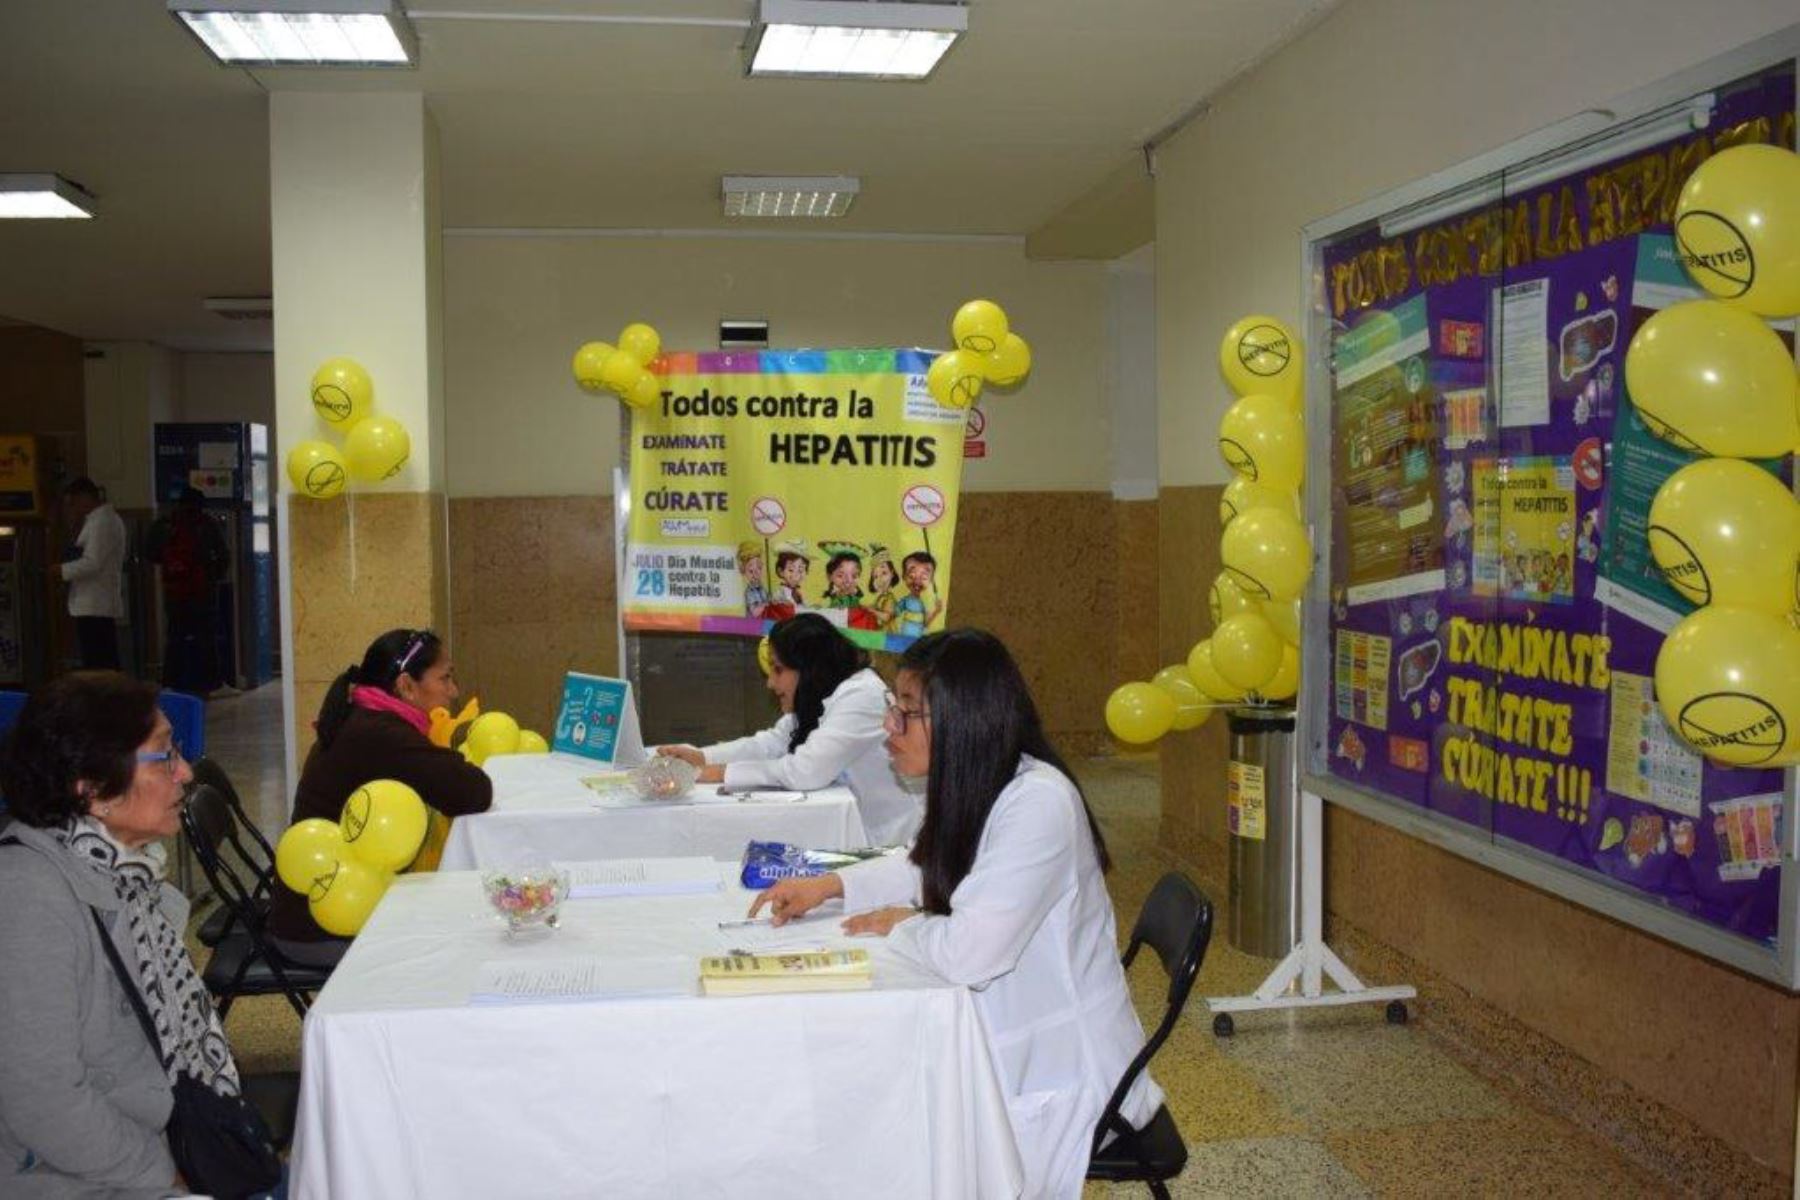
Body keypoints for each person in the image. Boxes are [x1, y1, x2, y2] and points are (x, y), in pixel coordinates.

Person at [751, 629, 1160, 1199]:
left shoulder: (1038, 802)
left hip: (1060, 1069)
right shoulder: (981, 782)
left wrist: (904, 925)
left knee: (895, 1132)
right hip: (1003, 1030)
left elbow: (970, 953)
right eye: (893, 708)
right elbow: (927, 866)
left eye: (906, 713)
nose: (887, 728)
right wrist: (830, 885)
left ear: (963, 719)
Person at [0, 672, 255, 1197]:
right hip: (83, 1180)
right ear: (92, 790)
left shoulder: (125, 876)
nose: (185, 771)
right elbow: (43, 1102)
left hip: (152, 1149)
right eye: (164, 755)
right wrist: (163, 1175)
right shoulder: (27, 899)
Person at [268, 629, 493, 965]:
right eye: (444, 678)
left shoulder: (363, 718)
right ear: (406, 686)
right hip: (322, 926)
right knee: (461, 944)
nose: (454, 691)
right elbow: (473, 792)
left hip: (321, 909)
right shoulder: (381, 734)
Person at [656, 613, 921, 845]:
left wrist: (718, 773)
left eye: (778, 670)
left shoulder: (861, 695)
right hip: (860, 832)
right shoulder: (825, 694)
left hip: (894, 841)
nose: (770, 683)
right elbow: (771, 743)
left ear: (809, 668)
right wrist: (703, 757)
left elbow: (805, 771)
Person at [146, 487, 230, 696]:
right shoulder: (207, 524)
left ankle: (170, 683)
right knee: (206, 640)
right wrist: (212, 576)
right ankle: (211, 685)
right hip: (203, 593)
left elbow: (151, 554)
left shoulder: (165, 524)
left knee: (174, 639)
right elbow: (223, 556)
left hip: (174, 593)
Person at [58, 477, 127, 671]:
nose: (73, 509)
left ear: (85, 497)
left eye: (73, 503)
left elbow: (92, 562)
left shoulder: (102, 522)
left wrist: (61, 570)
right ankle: (106, 695)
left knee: (99, 659)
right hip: (95, 601)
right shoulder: (97, 521)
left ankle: (105, 697)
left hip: (95, 602)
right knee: (100, 656)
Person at [893, 550, 943, 638]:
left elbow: (925, 623)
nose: (917, 581)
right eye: (912, 576)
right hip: (905, 636)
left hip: (918, 638)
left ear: (931, 580)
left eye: (923, 578)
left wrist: (936, 611)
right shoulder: (905, 601)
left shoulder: (923, 604)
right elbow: (893, 613)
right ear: (904, 576)